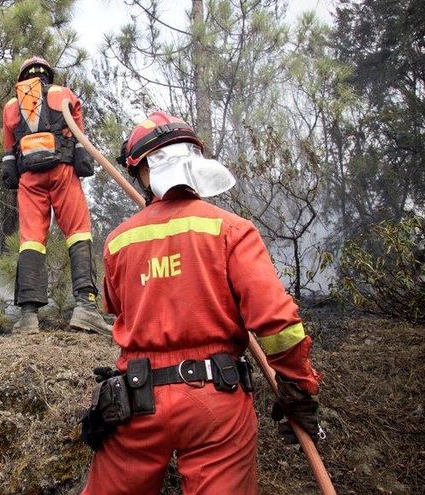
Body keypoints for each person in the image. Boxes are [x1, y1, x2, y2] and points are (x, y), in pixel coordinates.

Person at [81, 111, 322, 494]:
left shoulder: (119, 241)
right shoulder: (232, 230)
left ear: (141, 171)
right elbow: (278, 323)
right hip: (216, 399)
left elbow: (114, 306)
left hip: (135, 398)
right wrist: (298, 386)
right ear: (196, 161)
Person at [1, 56, 110, 335]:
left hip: (29, 179)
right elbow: (79, 135)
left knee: (31, 241)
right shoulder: (62, 93)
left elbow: (8, 150)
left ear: (23, 76)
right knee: (77, 233)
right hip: (62, 172)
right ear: (48, 74)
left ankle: (28, 317)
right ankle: (86, 307)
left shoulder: (12, 106)